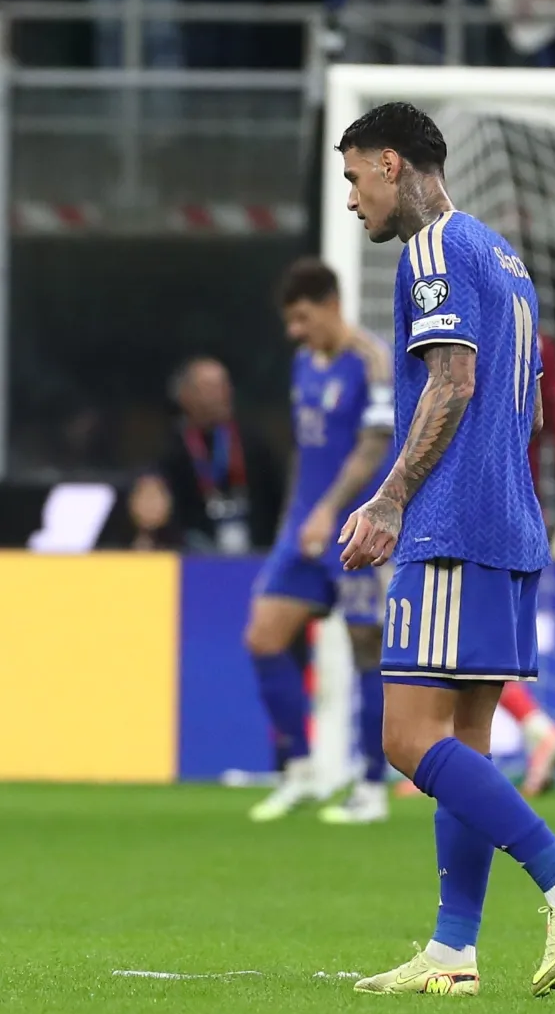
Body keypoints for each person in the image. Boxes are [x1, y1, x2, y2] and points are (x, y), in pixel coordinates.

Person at [334, 102, 555, 999]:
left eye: (355, 178)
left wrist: (391, 498)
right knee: (464, 744)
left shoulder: (433, 250)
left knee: (406, 740)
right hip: (509, 524)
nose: (352, 200)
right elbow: (524, 408)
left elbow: (454, 381)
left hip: (451, 526)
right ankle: (452, 951)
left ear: (391, 164)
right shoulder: (504, 257)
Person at [395, 329, 555, 801]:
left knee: (441, 647)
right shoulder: (531, 332)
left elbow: (455, 393)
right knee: (471, 655)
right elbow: (548, 421)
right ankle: (501, 741)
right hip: (519, 511)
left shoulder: (455, 329)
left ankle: (438, 754)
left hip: (462, 512)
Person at [245, 259, 396, 825]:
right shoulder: (303, 364)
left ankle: (371, 787)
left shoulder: (374, 360)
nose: (295, 331)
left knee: (366, 650)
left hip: (356, 529)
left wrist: (330, 510)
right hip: (303, 529)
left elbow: (374, 446)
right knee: (264, 637)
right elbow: (306, 451)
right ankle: (302, 771)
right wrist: (296, 517)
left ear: (332, 304)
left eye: (303, 318)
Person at [129, 357, 285, 554]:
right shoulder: (169, 448)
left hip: (256, 552)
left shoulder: (253, 443)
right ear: (184, 395)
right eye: (210, 387)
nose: (221, 394)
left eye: (224, 385)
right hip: (193, 554)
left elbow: (279, 500)